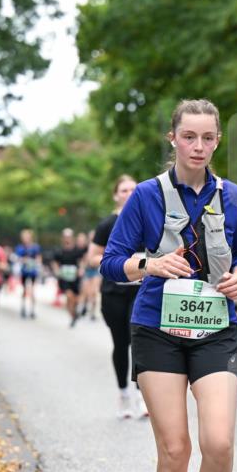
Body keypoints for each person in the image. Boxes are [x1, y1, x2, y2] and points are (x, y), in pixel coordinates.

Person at [100, 98, 237, 472]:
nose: (199, 146)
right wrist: (150, 264)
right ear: (173, 139)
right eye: (190, 136)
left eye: (208, 138)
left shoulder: (232, 197)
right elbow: (111, 261)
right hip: (156, 329)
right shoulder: (145, 196)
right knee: (174, 448)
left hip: (214, 327)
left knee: (219, 441)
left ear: (217, 141)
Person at [88, 174, 148, 420]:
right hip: (114, 291)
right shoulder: (106, 224)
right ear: (116, 194)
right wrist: (122, 263)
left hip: (140, 290)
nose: (130, 193)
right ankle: (123, 392)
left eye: (134, 189)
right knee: (121, 343)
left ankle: (141, 394)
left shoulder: (148, 221)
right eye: (124, 190)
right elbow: (92, 257)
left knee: (140, 340)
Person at [52, 228, 84, 328]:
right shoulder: (59, 251)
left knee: (75, 299)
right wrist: (57, 271)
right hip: (64, 278)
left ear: (72, 238)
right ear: (63, 238)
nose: (67, 239)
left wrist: (81, 269)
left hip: (75, 277)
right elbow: (55, 262)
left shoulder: (77, 250)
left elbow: (82, 261)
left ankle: (74, 312)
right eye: (65, 237)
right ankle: (73, 316)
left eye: (69, 237)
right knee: (69, 296)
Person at [15, 229, 42, 319]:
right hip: (24, 271)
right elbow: (17, 258)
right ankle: (23, 307)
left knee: (33, 290)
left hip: (33, 271)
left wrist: (36, 263)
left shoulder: (35, 247)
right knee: (24, 290)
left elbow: (39, 258)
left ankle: (32, 310)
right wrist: (24, 260)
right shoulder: (20, 247)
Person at [75, 231, 97, 319]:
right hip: (87, 270)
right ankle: (81, 308)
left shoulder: (99, 246)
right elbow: (82, 260)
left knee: (93, 292)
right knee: (85, 291)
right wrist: (81, 268)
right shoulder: (86, 247)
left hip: (96, 270)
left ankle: (92, 312)